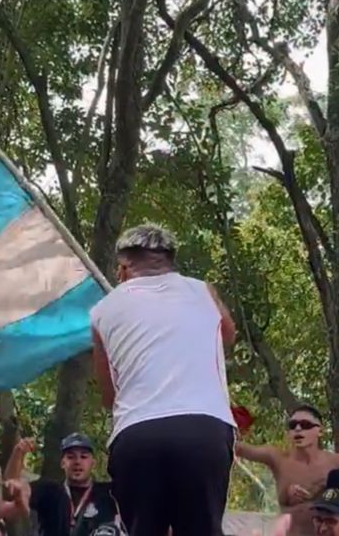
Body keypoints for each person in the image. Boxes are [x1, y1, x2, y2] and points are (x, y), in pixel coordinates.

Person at [90, 223, 237, 536]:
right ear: (171, 261)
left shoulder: (102, 310)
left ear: (123, 268)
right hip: (204, 430)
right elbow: (227, 335)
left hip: (138, 432)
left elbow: (108, 395)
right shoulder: (202, 291)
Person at [235, 405, 339, 536]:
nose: (298, 429)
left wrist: (326, 491)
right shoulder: (277, 458)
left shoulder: (337, 462)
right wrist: (226, 422)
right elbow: (238, 448)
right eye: (293, 425)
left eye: (305, 425)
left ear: (320, 431)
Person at [3, 433, 119, 535]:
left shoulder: (109, 493)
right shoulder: (48, 490)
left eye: (83, 457)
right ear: (62, 463)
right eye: (70, 457)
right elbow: (12, 484)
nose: (77, 462)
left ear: (93, 463)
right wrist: (18, 451)